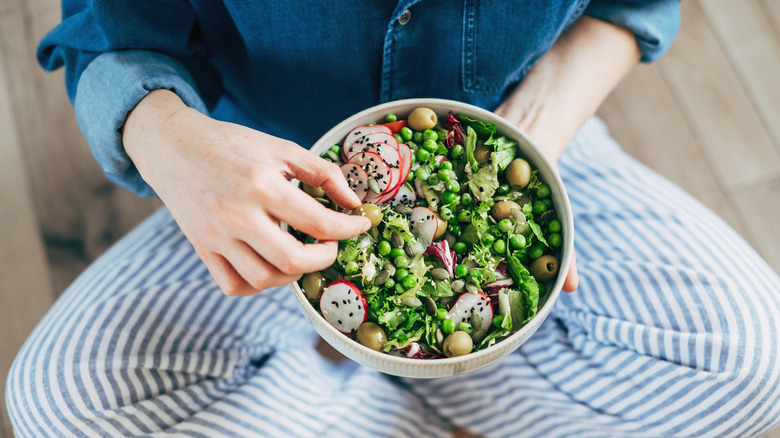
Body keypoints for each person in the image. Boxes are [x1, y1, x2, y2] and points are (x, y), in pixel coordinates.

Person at [6, 1, 780, 437]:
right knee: (57, 404)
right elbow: (111, 34)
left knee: (752, 365)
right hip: (248, 177)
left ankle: (367, 396)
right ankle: (395, 398)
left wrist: (534, 133)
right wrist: (167, 140)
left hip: (512, 136)